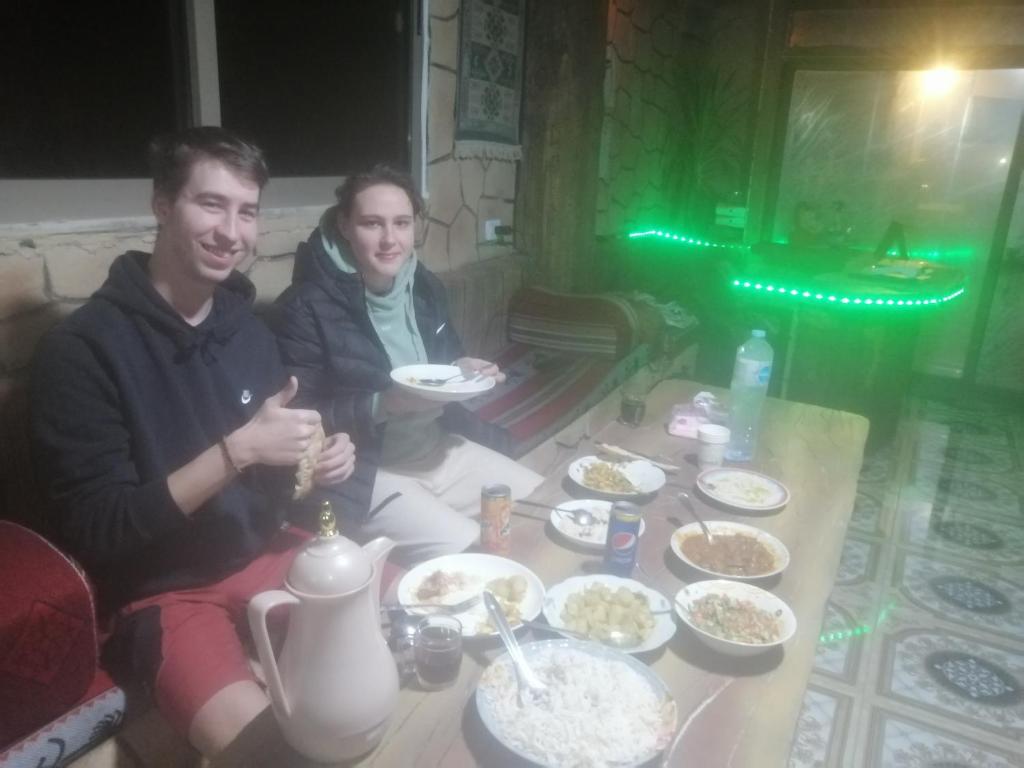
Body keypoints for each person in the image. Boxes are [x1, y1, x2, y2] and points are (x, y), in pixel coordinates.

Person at [30, 127, 358, 757]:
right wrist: (239, 451)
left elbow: (275, 479)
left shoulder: (247, 329)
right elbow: (98, 529)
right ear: (161, 204)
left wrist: (315, 460)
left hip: (264, 554)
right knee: (269, 755)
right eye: (210, 204)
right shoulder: (81, 352)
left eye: (246, 211)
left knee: (409, 630)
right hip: (163, 592)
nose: (230, 232)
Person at [271, 164, 542, 563]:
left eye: (401, 223)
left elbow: (443, 364)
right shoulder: (304, 308)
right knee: (476, 557)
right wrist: (385, 405)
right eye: (372, 223)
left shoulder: (424, 287)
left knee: (537, 512)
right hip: (367, 474)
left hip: (439, 449)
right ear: (345, 225)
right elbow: (299, 421)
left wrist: (463, 368)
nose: (389, 240)